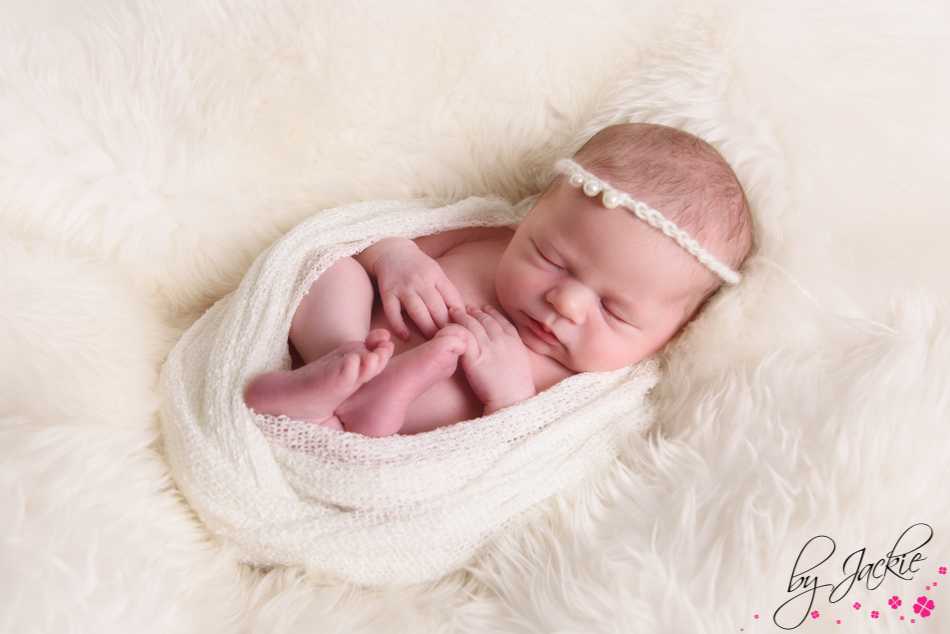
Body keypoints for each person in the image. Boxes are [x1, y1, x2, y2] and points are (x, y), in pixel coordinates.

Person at [243, 123, 753, 436]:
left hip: (403, 436)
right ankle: (337, 366)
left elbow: (526, 458)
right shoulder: (489, 238)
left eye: (614, 310)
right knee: (331, 271)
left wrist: (508, 398)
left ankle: (351, 416)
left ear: (671, 337)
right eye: (552, 257)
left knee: (436, 407)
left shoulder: (593, 385)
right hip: (342, 338)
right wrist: (395, 257)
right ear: (529, 219)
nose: (568, 302)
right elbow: (365, 235)